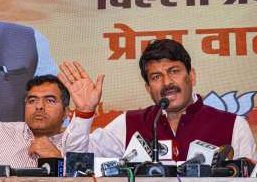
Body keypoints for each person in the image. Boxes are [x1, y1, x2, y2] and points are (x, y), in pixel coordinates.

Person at [58, 39, 257, 161]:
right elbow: (79, 159)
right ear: (148, 88)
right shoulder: (129, 123)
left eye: (174, 71)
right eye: (156, 77)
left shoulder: (233, 125)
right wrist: (84, 112)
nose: (167, 82)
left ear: (192, 76)